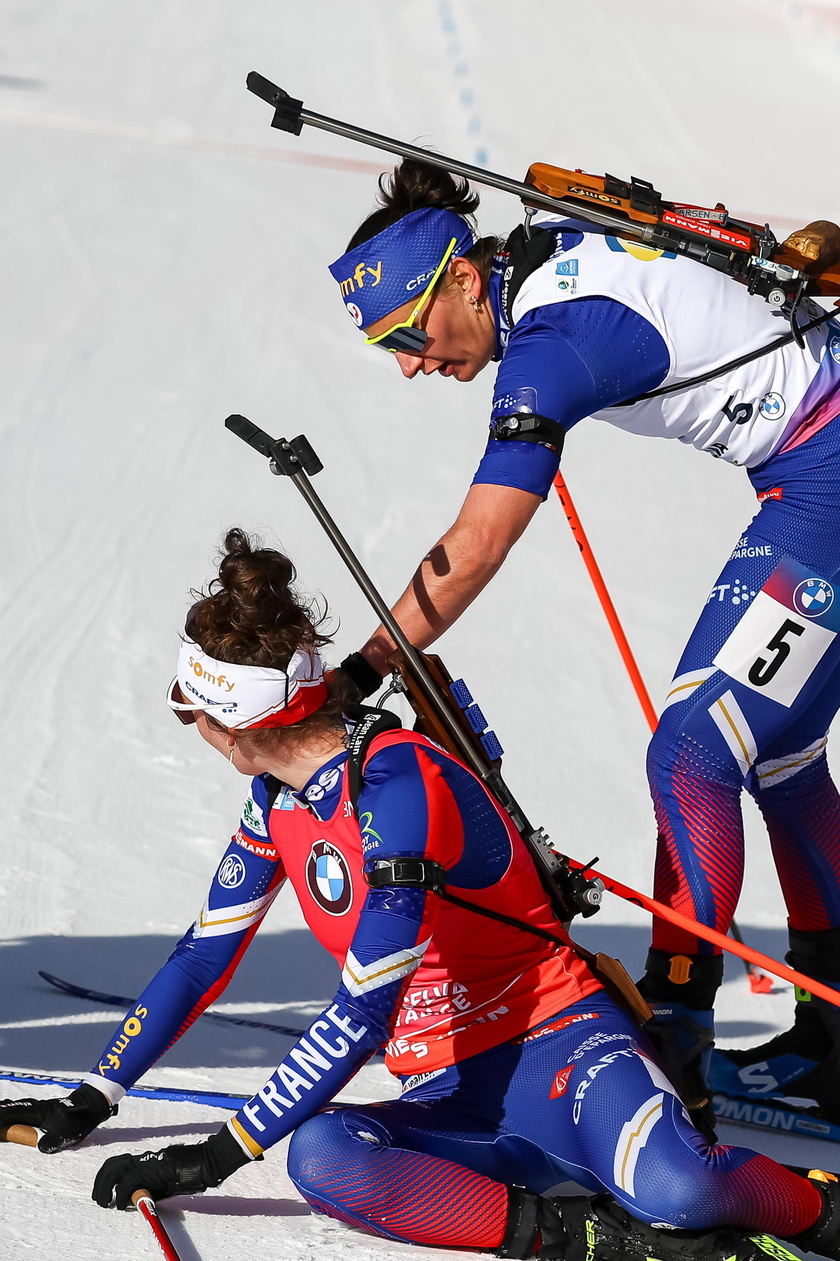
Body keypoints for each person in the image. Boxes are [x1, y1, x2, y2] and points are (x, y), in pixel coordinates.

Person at [2, 527, 839, 1260]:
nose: (198, 736)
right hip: (449, 1091)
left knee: (680, 1190)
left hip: (558, 1040)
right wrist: (91, 1096)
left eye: (194, 718)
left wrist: (216, 1154)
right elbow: (202, 956)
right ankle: (583, 1239)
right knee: (324, 1154)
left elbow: (364, 1006)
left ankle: (820, 1206)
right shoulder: (279, 802)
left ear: (234, 725)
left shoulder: (397, 781)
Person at [327, 159, 840, 1133]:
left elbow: (476, 544)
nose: (408, 362)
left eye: (410, 332)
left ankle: (676, 1030)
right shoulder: (546, 248)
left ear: (466, 279)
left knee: (693, 753)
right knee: (778, 754)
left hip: (829, 470)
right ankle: (831, 1039)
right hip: (813, 462)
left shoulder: (550, 343)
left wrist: (366, 667)